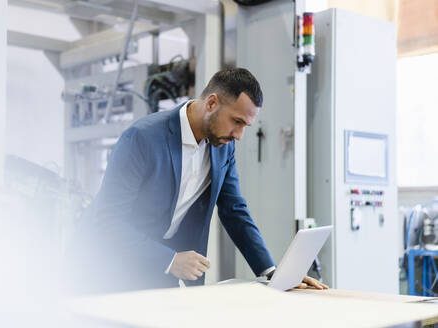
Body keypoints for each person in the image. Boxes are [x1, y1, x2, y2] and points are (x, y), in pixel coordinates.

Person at [68, 68, 327, 293]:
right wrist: (169, 260)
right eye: (236, 121)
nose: (239, 135)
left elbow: (234, 210)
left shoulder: (223, 146)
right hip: (108, 267)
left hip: (158, 270)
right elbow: (107, 221)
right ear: (212, 103)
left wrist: (272, 273)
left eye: (246, 126)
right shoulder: (141, 138)